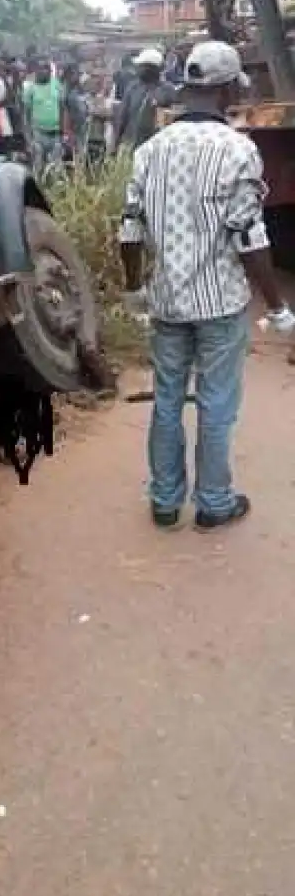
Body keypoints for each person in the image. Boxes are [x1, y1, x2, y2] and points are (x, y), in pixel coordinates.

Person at [118, 40, 295, 532]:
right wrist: (278, 306)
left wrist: (134, 290)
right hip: (218, 302)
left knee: (168, 398)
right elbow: (248, 235)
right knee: (217, 403)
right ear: (224, 91)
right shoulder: (238, 149)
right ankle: (214, 503)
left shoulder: (151, 150)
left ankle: (165, 500)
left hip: (167, 300)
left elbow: (130, 228)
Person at [113, 48, 176, 152]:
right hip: (132, 145)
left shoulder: (167, 90)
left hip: (156, 146)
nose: (137, 69)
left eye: (141, 67)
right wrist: (116, 143)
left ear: (151, 68)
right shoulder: (133, 88)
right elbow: (122, 117)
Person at [23, 59, 64, 174]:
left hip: (55, 134)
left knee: (56, 170)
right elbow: (25, 115)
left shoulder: (57, 85)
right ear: (36, 70)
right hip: (38, 134)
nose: (44, 71)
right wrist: (28, 139)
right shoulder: (30, 88)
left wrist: (63, 133)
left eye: (47, 68)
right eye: (41, 68)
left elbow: (62, 108)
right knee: (38, 169)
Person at [62, 64, 89, 156]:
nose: (76, 76)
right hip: (73, 131)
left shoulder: (80, 91)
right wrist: (67, 132)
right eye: (73, 74)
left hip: (82, 129)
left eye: (77, 74)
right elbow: (65, 113)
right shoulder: (65, 91)